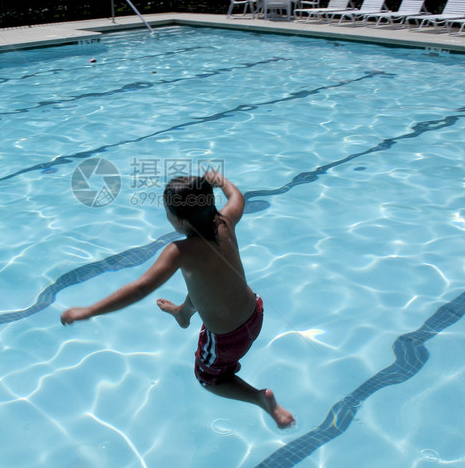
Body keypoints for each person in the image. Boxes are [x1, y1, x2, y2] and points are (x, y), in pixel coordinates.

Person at [61, 170, 294, 429]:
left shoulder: (179, 252)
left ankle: (260, 398)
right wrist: (220, 180)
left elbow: (140, 288)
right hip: (255, 312)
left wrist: (89, 311)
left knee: (208, 379)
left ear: (179, 221)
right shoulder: (225, 221)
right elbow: (236, 195)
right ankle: (184, 312)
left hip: (226, 338)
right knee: (205, 281)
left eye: (167, 212)